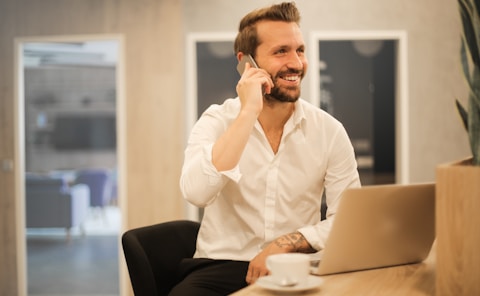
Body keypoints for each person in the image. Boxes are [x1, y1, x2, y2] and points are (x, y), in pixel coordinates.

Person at [175, 2, 361, 295]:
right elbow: (197, 193)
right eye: (280, 51)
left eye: (300, 50)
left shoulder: (329, 131)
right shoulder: (217, 120)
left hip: (295, 263)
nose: (297, 63)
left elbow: (348, 221)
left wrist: (284, 244)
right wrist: (248, 112)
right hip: (222, 265)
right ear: (247, 62)